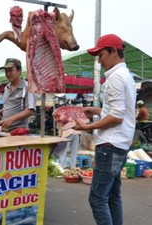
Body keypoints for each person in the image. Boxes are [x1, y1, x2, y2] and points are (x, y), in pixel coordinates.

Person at [74, 34, 136, 225]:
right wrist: (97, 111)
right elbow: (118, 112)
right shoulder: (125, 75)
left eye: (101, 55)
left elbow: (116, 117)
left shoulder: (116, 77)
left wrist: (88, 126)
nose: (99, 61)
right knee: (112, 196)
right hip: (120, 144)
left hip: (110, 145)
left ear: (114, 52)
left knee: (97, 198)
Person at [0, 58, 36, 133]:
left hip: (19, 131)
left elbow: (30, 110)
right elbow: (11, 105)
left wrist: (11, 119)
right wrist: (1, 111)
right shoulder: (6, 87)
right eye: (6, 71)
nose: (8, 73)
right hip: (5, 131)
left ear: (19, 71)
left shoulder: (27, 87)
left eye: (10, 70)